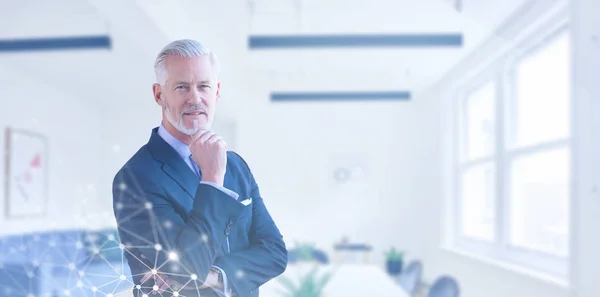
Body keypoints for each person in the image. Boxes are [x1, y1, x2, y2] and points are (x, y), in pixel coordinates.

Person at [112, 39, 287, 297]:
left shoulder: (236, 165)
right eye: (182, 87)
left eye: (203, 86)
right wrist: (213, 180)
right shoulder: (136, 177)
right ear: (159, 94)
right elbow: (187, 271)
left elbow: (275, 253)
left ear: (216, 92)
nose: (195, 99)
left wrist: (216, 275)